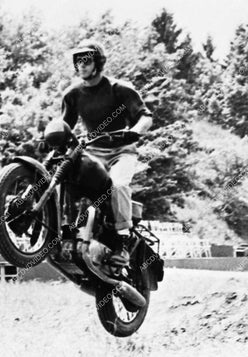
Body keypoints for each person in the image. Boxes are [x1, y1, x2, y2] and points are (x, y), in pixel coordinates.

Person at [61, 40, 154, 267]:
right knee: (67, 176)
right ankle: (66, 231)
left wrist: (135, 132)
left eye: (86, 61)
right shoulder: (73, 94)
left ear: (98, 63)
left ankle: (123, 240)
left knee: (119, 185)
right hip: (92, 151)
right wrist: (50, 139)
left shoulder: (119, 88)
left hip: (121, 151)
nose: (81, 66)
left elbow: (145, 116)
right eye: (78, 62)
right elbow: (64, 125)